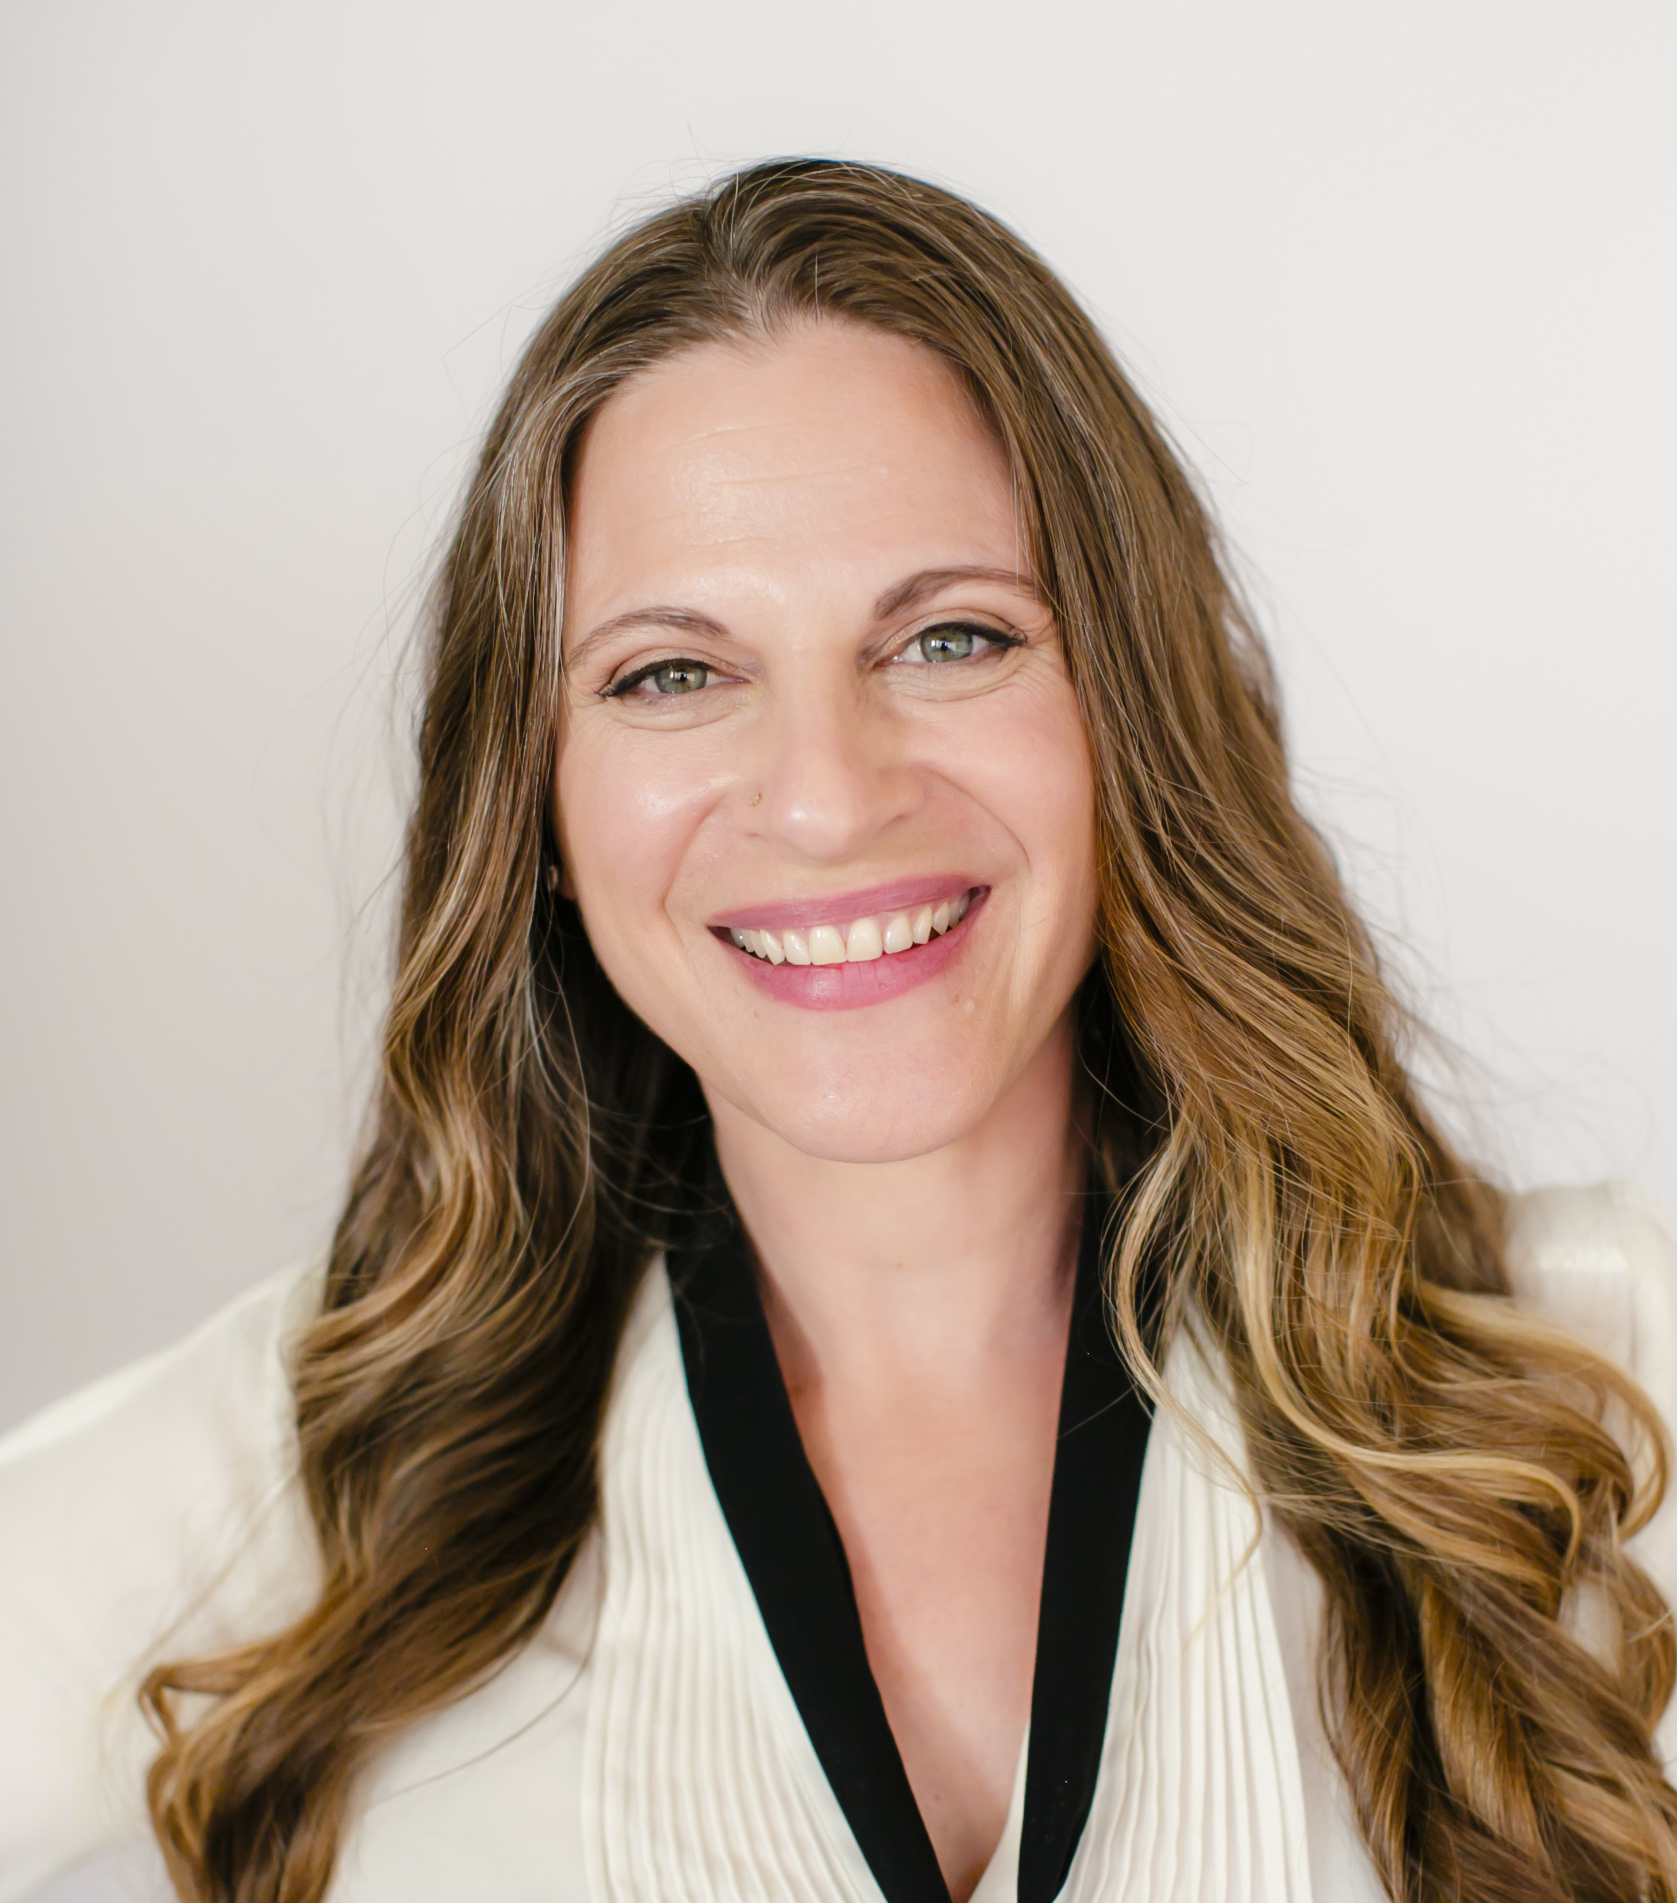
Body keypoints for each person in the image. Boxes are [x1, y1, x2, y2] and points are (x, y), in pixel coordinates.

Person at [2, 159, 1674, 1903]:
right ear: (540, 809)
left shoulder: (1591, 1383)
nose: (823, 797)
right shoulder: (329, 1467)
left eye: (950, 638)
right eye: (669, 673)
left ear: (1131, 714)